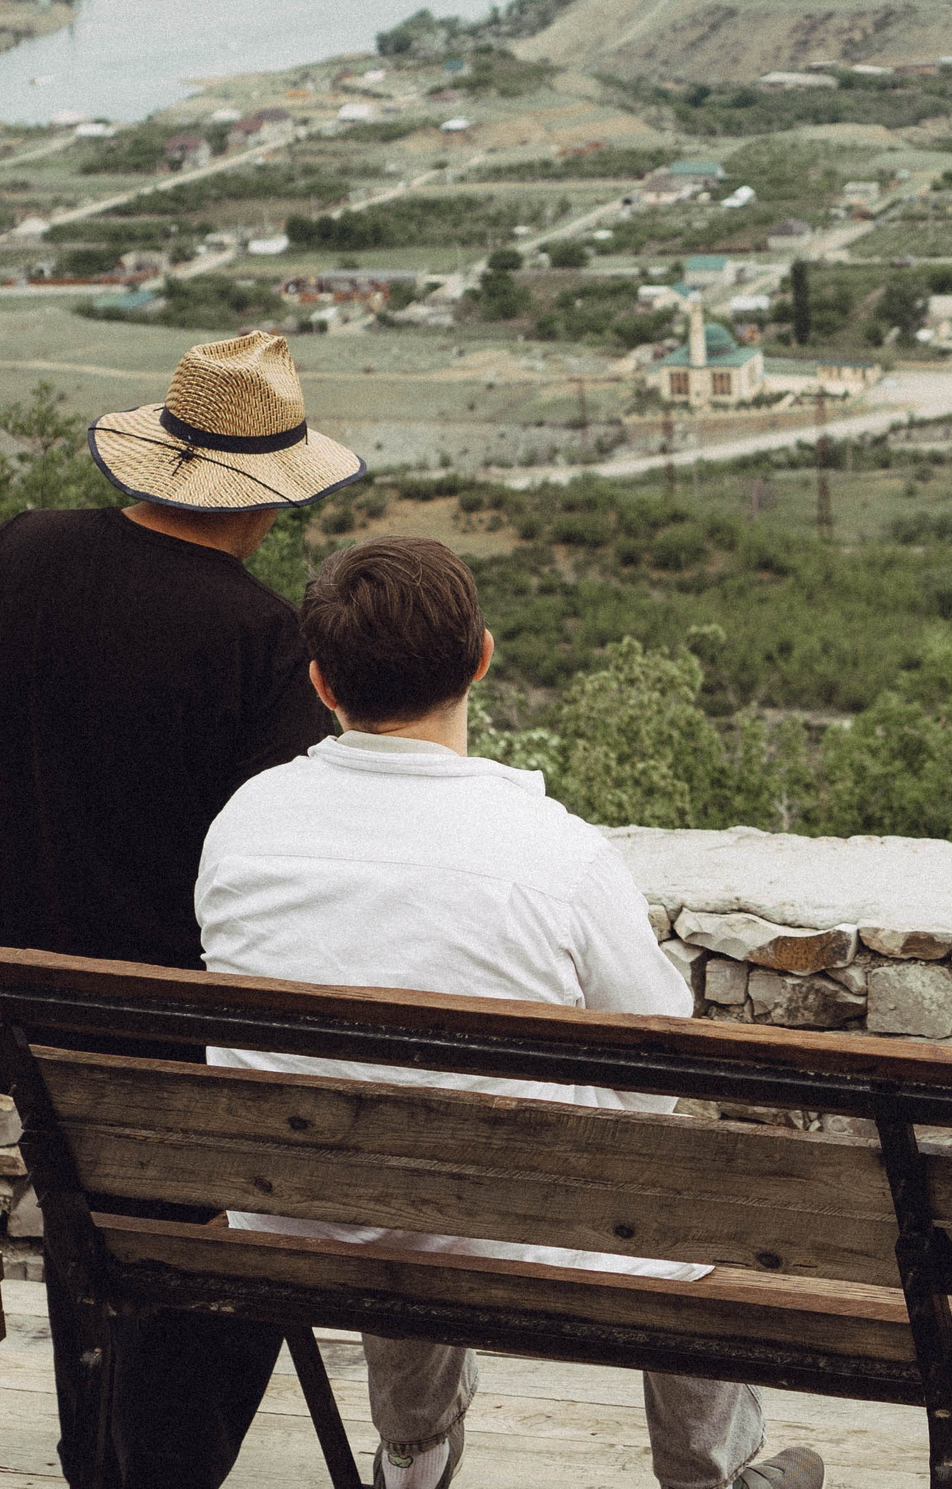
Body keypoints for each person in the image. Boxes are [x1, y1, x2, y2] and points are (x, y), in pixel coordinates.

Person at [0, 329, 367, 1489]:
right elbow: (301, 858)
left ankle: (102, 1463)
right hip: (185, 1036)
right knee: (231, 1265)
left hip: (36, 1016)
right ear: (268, 494)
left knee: (92, 1256)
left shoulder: (20, 555)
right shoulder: (261, 640)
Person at [194, 535, 827, 1489]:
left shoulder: (244, 823)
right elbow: (661, 1060)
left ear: (322, 683)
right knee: (687, 1206)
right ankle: (713, 1475)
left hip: (293, 1219)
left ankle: (412, 1452)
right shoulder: (551, 852)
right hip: (495, 1222)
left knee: (393, 1160)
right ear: (483, 656)